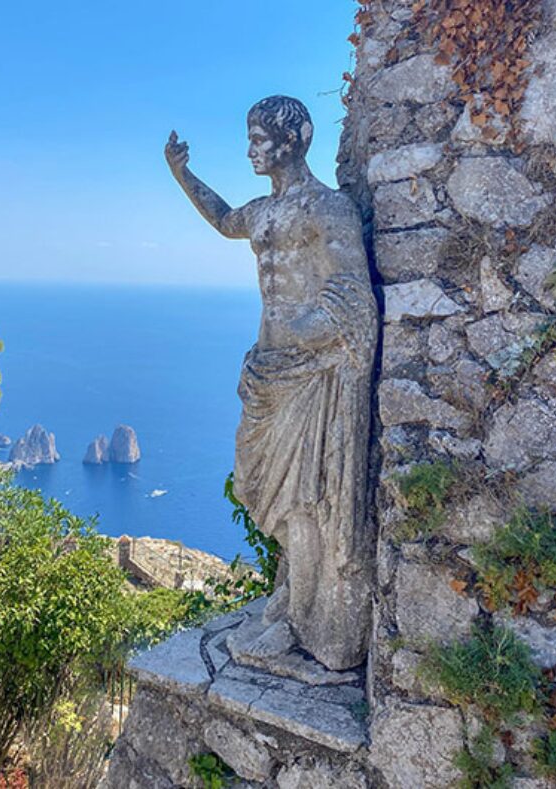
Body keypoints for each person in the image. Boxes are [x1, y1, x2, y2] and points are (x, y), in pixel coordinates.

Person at [165, 96, 378, 671]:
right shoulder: (262, 213)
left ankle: (305, 619)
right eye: (250, 137)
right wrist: (182, 175)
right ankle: (292, 597)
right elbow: (222, 218)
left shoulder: (328, 209)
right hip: (269, 372)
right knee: (272, 496)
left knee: (304, 499)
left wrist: (309, 330)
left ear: (295, 139)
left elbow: (352, 293)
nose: (251, 148)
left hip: (312, 375)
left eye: (260, 137)